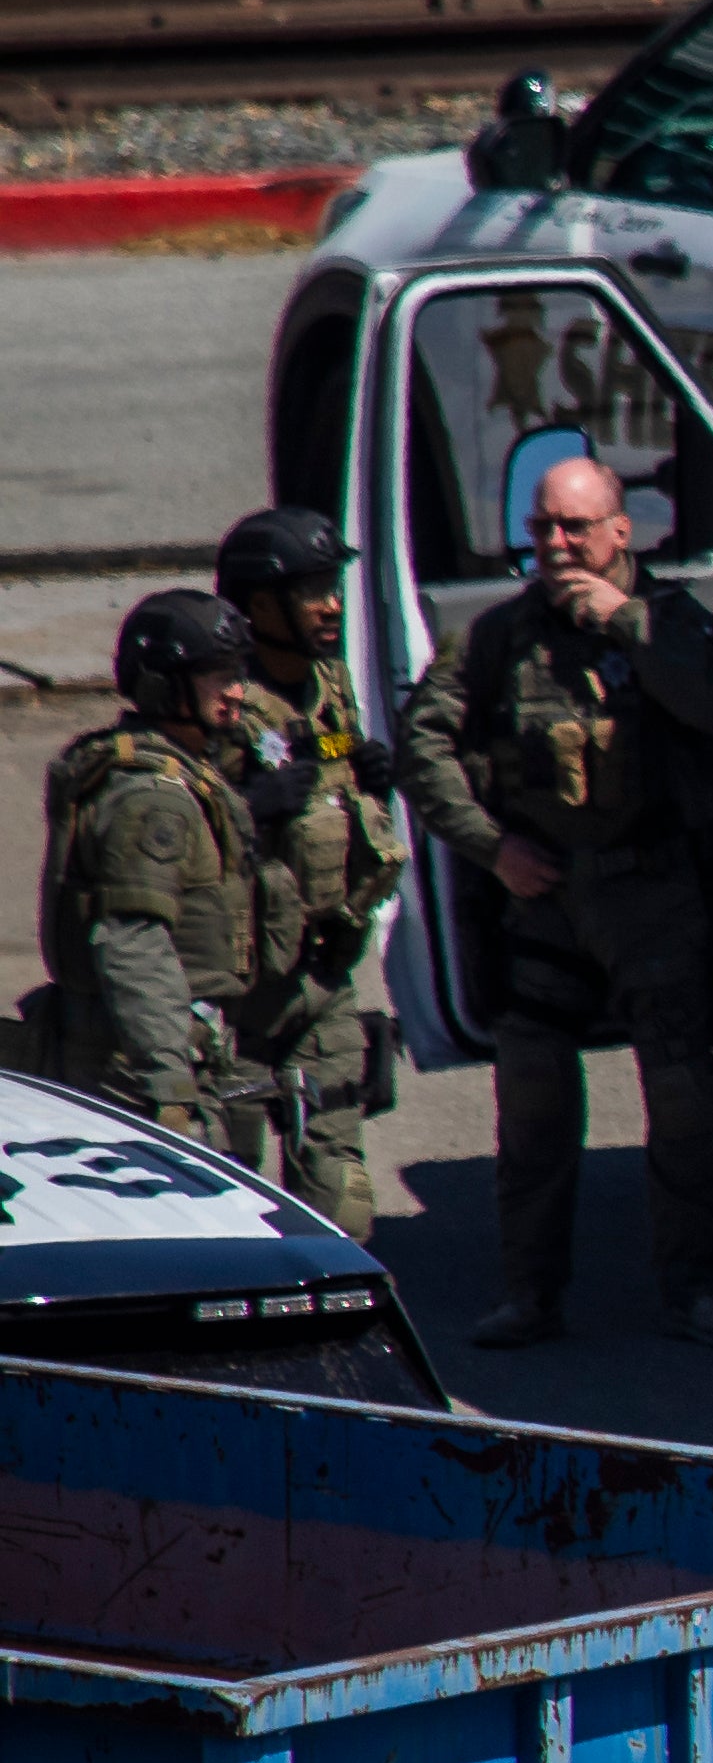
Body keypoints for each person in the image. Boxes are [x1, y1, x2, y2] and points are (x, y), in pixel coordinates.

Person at [391, 451, 713, 1349]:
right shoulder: (499, 635)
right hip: (545, 901)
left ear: (621, 532)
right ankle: (529, 1294)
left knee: (679, 1104)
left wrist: (629, 624)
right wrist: (491, 847)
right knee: (534, 1107)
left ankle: (694, 1291)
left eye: (576, 529)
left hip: (652, 897)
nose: (556, 545)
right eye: (542, 529)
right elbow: (421, 747)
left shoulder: (670, 622)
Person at [213, 510, 398, 1236]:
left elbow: (330, 765)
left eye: (333, 585)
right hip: (238, 996)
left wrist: (370, 774)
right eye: (312, 589)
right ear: (260, 606)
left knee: (341, 1200)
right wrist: (246, 808)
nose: (332, 603)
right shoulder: (218, 698)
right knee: (228, 1199)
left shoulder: (329, 680)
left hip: (322, 977)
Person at [39, 591, 263, 1149]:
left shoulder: (182, 768)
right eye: (217, 676)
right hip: (136, 1061)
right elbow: (133, 942)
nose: (236, 691)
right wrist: (169, 1084)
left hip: (171, 1043)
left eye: (236, 672)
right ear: (166, 684)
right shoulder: (153, 801)